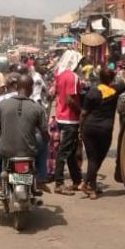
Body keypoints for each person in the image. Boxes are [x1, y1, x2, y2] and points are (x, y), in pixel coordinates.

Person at [79, 63, 125, 199]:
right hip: (105, 131)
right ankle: (91, 187)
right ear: (111, 79)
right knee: (98, 158)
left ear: (100, 78)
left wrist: (80, 130)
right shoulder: (114, 90)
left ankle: (88, 183)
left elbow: (83, 113)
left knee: (93, 159)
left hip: (89, 129)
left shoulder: (92, 92)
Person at [0, 74, 48, 193]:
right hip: (29, 151)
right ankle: (40, 178)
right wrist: (46, 140)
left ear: (17, 87)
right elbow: (45, 134)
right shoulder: (37, 107)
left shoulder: (2, 105)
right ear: (30, 89)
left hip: (5, 151)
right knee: (44, 143)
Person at [51, 49, 84, 195]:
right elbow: (71, 99)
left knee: (70, 150)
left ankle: (77, 180)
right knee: (64, 152)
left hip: (60, 115)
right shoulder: (72, 77)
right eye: (79, 63)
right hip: (70, 118)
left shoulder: (59, 73)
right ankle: (59, 183)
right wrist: (81, 111)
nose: (80, 66)